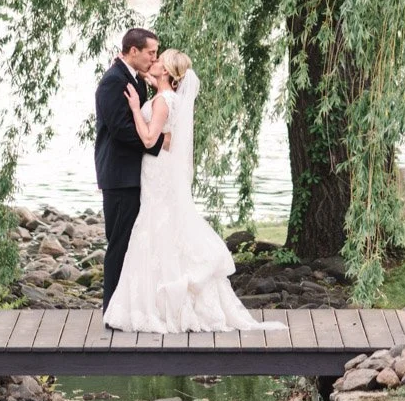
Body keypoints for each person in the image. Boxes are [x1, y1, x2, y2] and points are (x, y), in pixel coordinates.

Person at [102, 48, 281, 334]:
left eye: (159, 60)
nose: (154, 60)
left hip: (156, 169)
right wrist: (128, 66)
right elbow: (159, 99)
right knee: (160, 228)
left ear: (168, 72)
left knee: (154, 228)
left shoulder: (162, 101)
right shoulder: (169, 96)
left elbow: (149, 139)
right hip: (159, 170)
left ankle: (158, 307)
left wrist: (136, 108)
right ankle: (158, 301)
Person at [94, 27, 162, 311]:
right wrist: (156, 144)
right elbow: (121, 129)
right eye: (150, 53)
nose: (154, 58)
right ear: (133, 51)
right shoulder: (113, 82)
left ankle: (128, 306)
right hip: (120, 177)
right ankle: (112, 310)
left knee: (133, 244)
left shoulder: (134, 78)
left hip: (133, 174)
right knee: (119, 244)